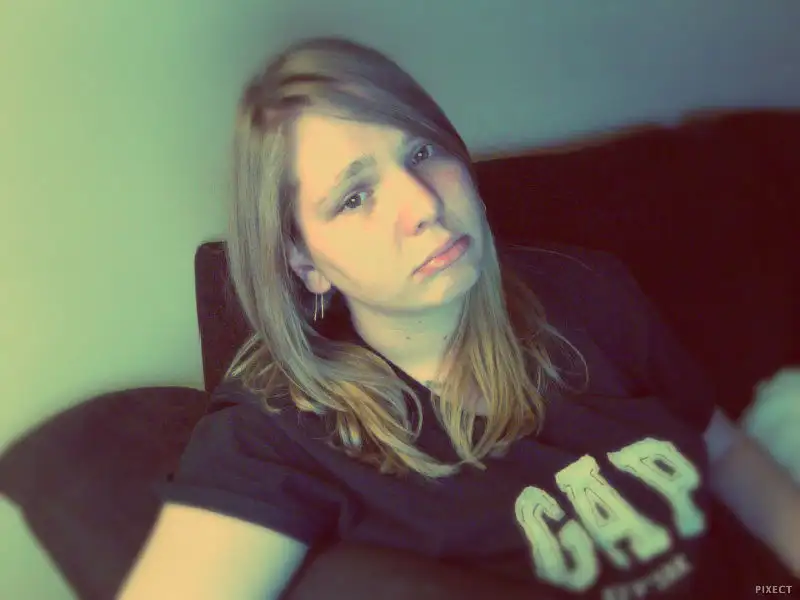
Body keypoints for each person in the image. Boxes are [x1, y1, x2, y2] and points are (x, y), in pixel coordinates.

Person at [119, 36, 800, 599]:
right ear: (304, 262)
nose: (423, 205)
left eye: (421, 152)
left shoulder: (587, 289)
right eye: (355, 197)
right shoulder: (279, 435)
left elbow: (725, 453)